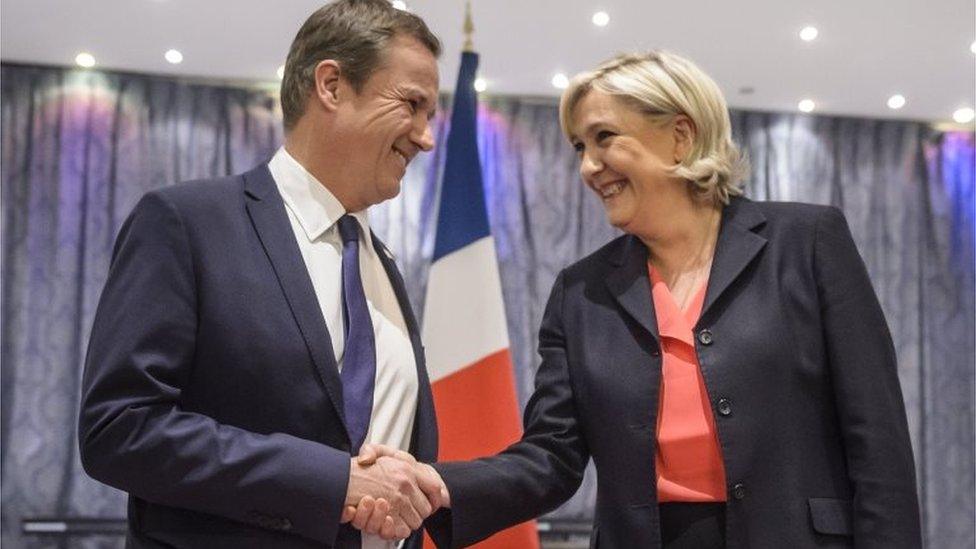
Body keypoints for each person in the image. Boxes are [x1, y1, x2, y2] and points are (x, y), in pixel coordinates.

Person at [348, 51, 923, 548]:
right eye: (579, 146)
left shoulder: (808, 242)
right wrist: (441, 483)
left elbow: (877, 441)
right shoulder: (581, 292)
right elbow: (553, 455)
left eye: (604, 138)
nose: (588, 167)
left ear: (681, 135)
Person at [77, 1, 447, 547]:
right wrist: (331, 481)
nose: (425, 137)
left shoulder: (383, 262)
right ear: (331, 85)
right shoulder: (186, 223)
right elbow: (119, 428)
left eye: (429, 116)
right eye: (412, 105)